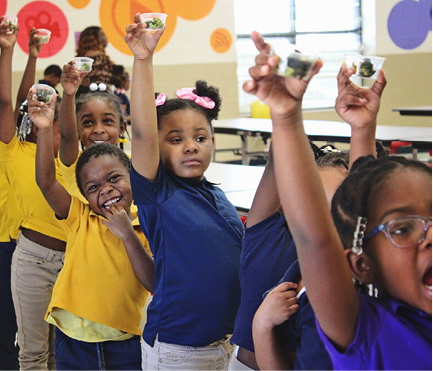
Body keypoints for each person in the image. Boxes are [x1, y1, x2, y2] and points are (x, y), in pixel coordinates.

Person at [244, 30, 431, 370]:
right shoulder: (369, 332)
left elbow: (361, 204)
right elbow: (316, 239)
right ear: (361, 265)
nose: (429, 234)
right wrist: (286, 117)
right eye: (403, 229)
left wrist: (362, 129)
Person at [230, 60, 388, 371]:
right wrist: (286, 110)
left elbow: (360, 194)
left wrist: (362, 129)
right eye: (315, 205)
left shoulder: (355, 274)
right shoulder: (290, 269)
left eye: (338, 210)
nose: (324, 222)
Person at [125, 14, 243, 369]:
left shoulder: (216, 194)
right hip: (179, 350)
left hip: (223, 343)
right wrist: (143, 58)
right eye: (176, 139)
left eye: (200, 137)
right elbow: (144, 133)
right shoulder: (158, 193)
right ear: (158, 150)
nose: (191, 146)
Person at [33, 87, 154, 370]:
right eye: (93, 187)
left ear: (133, 179)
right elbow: (46, 183)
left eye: (114, 178)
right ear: (85, 196)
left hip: (126, 346)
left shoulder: (144, 225)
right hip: (74, 344)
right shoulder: (81, 217)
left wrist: (126, 233)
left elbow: (153, 281)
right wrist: (42, 130)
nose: (106, 190)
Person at [0, 18, 66, 371]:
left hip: (61, 252)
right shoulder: (13, 148)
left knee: (56, 342)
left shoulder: (67, 160)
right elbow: (8, 101)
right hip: (16, 246)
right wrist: (10, 50)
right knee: (17, 333)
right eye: (35, 110)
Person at [57, 61, 127, 202]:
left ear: (121, 128)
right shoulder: (73, 164)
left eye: (107, 121)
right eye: (88, 122)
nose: (98, 130)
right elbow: (67, 136)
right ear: (78, 129)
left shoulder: (133, 165)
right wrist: (69, 94)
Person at [76, 26, 114, 97]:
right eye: (103, 35)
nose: (106, 37)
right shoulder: (100, 57)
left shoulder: (81, 58)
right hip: (97, 95)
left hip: (82, 95)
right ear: (95, 39)